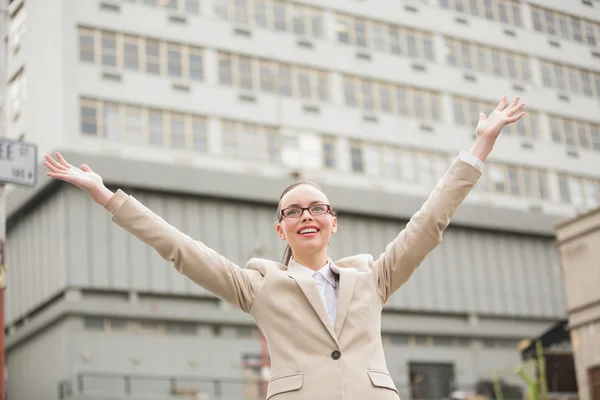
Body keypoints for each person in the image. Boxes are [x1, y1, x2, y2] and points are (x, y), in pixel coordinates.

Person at [45, 96, 525, 400]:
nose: (306, 216)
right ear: (281, 231)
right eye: (292, 211)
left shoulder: (373, 278)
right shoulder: (259, 287)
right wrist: (105, 194)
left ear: (333, 222)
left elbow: (429, 222)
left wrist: (478, 148)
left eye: (317, 207)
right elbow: (180, 249)